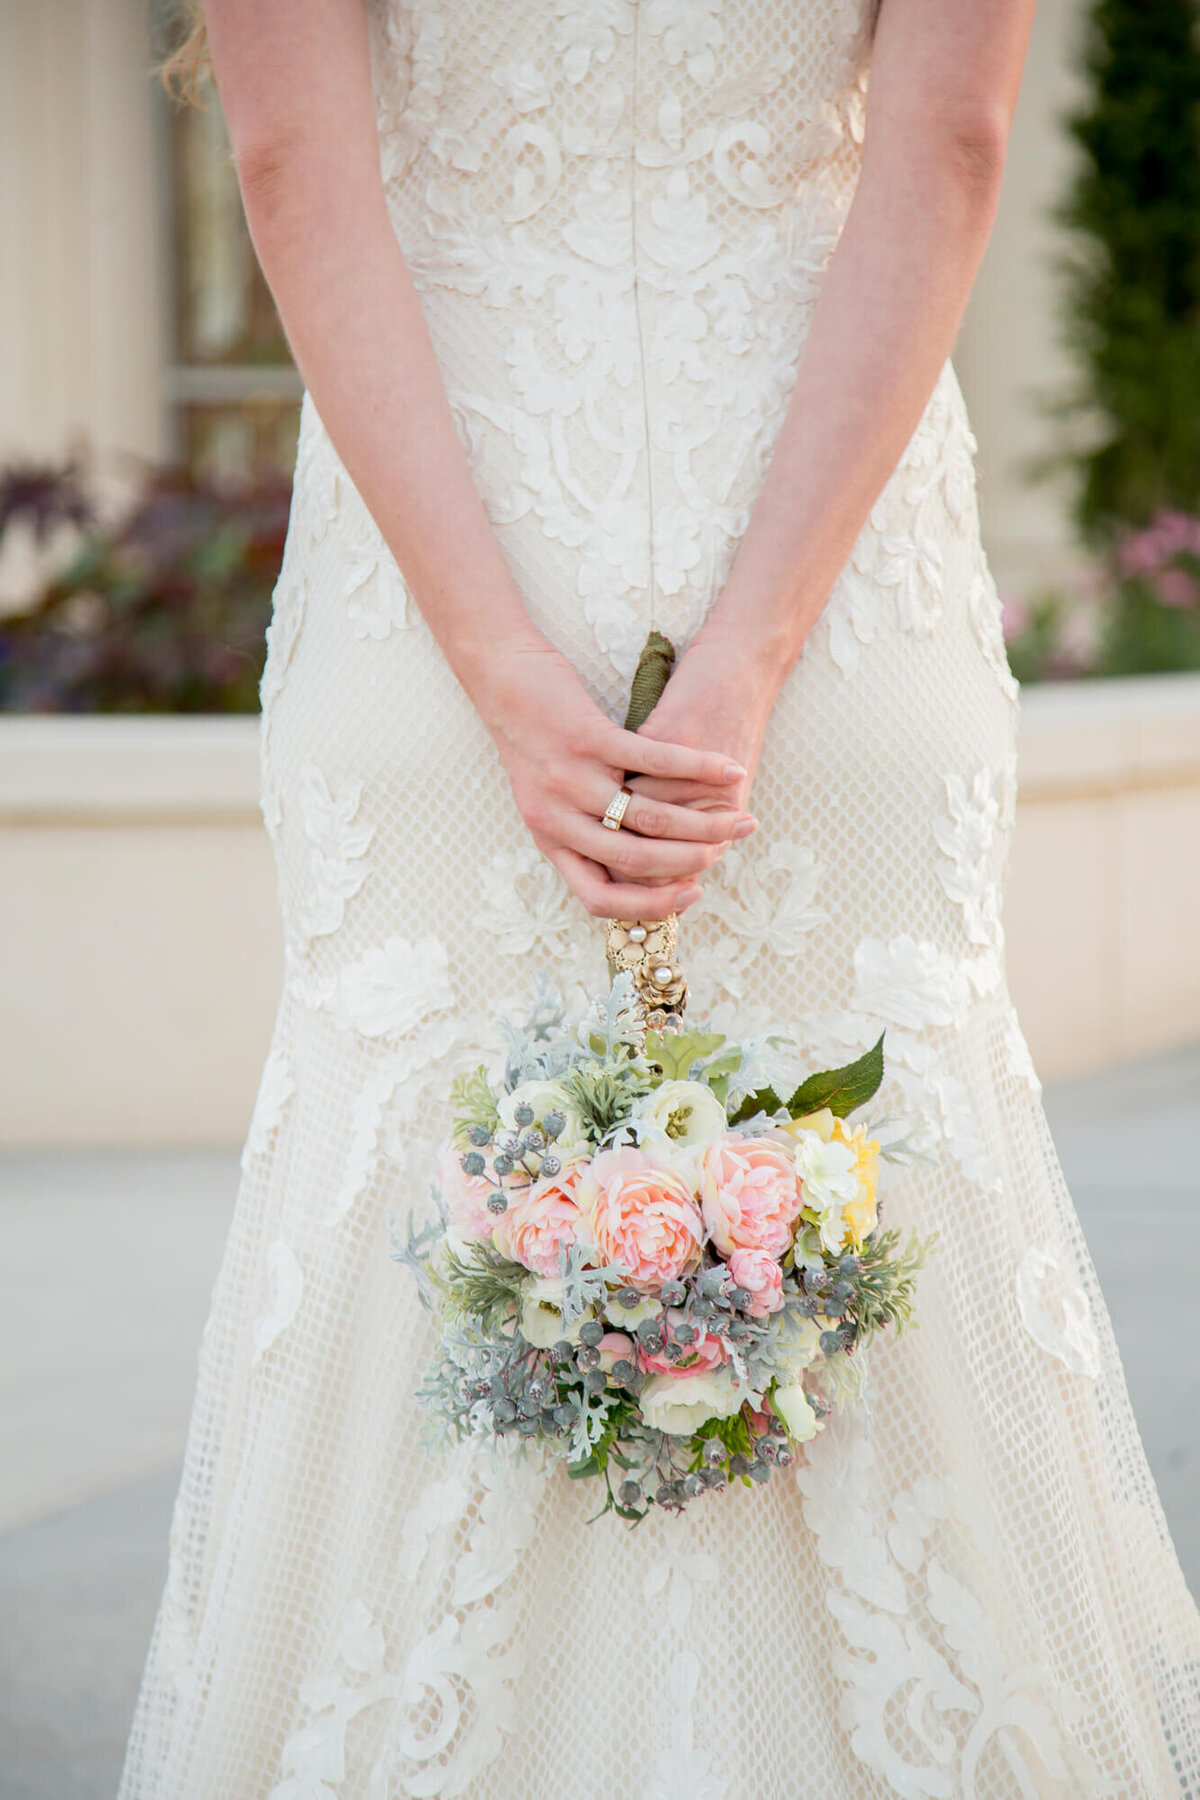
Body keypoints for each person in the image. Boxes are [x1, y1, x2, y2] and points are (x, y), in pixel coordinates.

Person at [121, 2, 1200, 1795]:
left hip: (444, 539)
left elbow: (297, 162)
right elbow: (946, 146)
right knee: (898, 1170)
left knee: (414, 1175)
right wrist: (761, 646)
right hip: (832, 553)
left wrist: (492, 664)